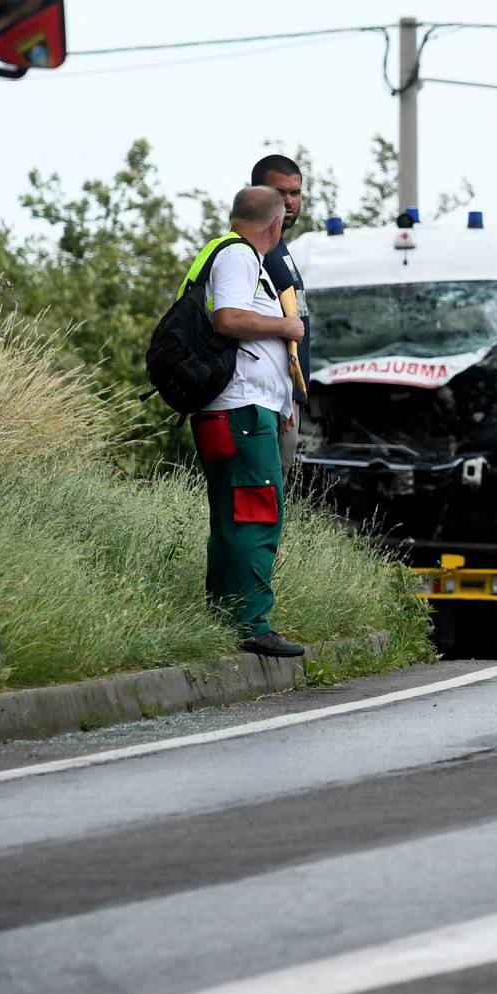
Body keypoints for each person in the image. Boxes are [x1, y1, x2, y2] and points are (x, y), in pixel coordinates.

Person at [183, 187, 307, 658]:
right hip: (241, 413)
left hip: (236, 410)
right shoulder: (239, 257)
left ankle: (222, 616)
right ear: (275, 226)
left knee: (232, 519)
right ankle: (252, 623)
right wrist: (286, 327)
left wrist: (282, 397)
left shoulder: (225, 254)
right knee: (256, 514)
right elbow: (228, 318)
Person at [252, 154, 309, 478]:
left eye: (295, 193)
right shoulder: (251, 249)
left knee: (273, 496)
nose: (289, 201)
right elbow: (232, 320)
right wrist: (281, 396)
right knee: (261, 495)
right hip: (267, 399)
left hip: (286, 398)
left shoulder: (278, 247)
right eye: (279, 192)